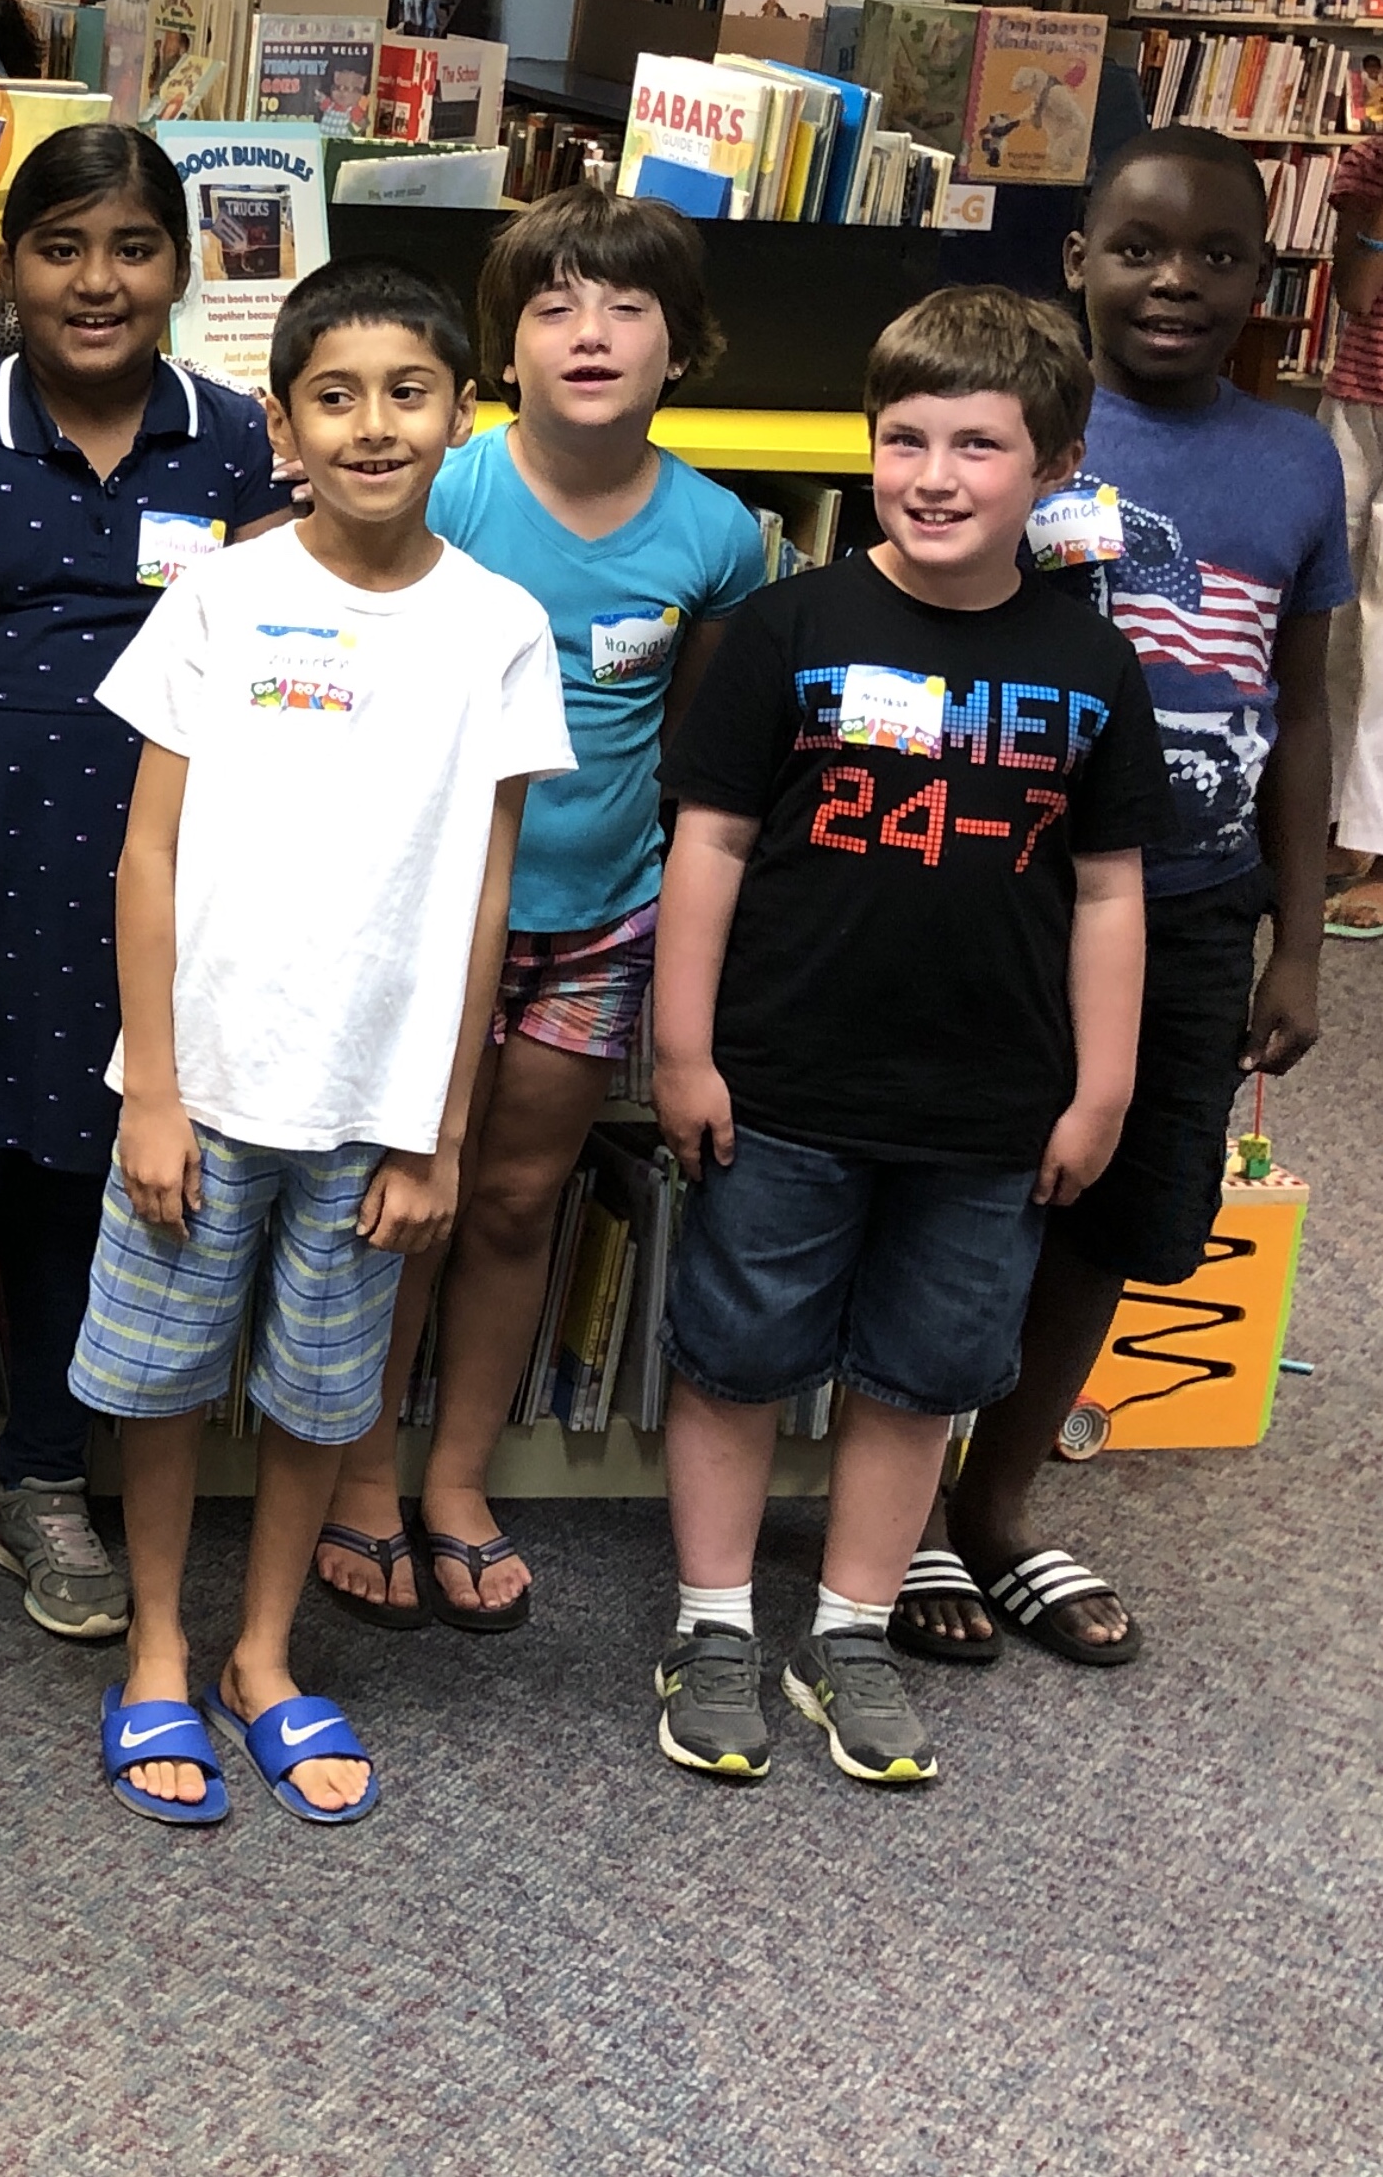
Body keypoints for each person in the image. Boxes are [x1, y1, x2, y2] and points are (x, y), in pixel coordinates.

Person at [71, 261, 567, 1829]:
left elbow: (487, 896)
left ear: (461, 415)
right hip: (203, 1088)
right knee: (157, 1386)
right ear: (280, 423)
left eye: (406, 393)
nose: (372, 426)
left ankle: (262, 1651)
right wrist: (149, 1084)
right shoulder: (223, 592)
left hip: (374, 1104)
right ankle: (157, 1637)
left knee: (314, 1397)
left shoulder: (496, 624)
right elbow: (144, 853)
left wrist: (441, 1126)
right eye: (333, 397)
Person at [650, 287, 1164, 1790]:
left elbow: (1111, 892)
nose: (932, 474)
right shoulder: (782, 627)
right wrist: (681, 1050)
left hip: (992, 1104)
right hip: (784, 1081)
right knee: (736, 1353)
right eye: (902, 439)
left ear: (1052, 467)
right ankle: (710, 1621)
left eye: (976, 445)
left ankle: (853, 1627)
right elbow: (711, 847)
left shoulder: (1086, 662)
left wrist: (1103, 1083)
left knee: (921, 1369)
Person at [889, 135, 1346, 1667]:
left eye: (1219, 254)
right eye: (1140, 246)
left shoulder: (1292, 462)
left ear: (1260, 281)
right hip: (994, 891)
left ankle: (994, 1507)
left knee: (1127, 1210)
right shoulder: (1003, 437)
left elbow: (1303, 699)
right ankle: (885, 1520)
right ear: (1075, 259)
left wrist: (1297, 934)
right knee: (950, 1182)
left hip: (1200, 903)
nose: (1176, 279)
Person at [0, 125, 286, 1642]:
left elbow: (266, 678)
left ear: (180, 264)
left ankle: (41, 1478)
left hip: (152, 879)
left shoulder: (232, 442)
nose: (95, 282)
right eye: (58, 247)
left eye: (132, 248)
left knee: (87, 1188)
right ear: (7, 267)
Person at [319, 193, 768, 1631]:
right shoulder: (445, 485)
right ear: (501, 347)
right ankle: (356, 1472)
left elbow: (690, 744)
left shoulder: (717, 534)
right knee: (399, 1198)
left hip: (596, 922)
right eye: (554, 305)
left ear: (679, 345)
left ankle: (453, 1475)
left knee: (513, 1202)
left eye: (626, 306)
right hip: (421, 908)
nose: (590, 332)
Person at [1314, 140, 1383, 938]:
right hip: (1358, 404)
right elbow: (1359, 296)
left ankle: (1376, 839)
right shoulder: (1368, 164)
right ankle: (1334, 821)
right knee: (1332, 617)